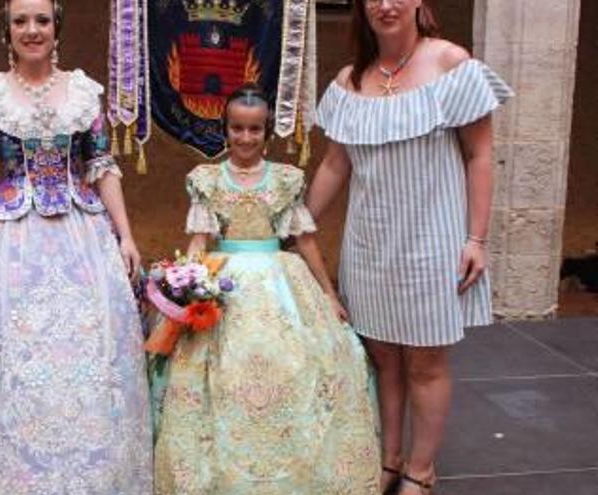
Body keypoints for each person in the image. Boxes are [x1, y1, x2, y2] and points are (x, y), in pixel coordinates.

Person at [0, 0, 152, 493]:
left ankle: (93, 474)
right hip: (11, 238)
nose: (32, 30)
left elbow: (102, 166)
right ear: (6, 30)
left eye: (42, 21)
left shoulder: (84, 91)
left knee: (90, 355)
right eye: (20, 21)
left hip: (82, 234)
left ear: (57, 28)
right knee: (13, 355)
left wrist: (127, 234)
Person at [306, 1, 514, 493]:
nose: (385, 4)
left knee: (424, 362)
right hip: (368, 245)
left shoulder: (450, 64)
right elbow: (336, 163)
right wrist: (298, 224)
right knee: (382, 357)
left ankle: (421, 471)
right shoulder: (347, 82)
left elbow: (480, 154)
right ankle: (390, 459)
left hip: (432, 240)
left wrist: (476, 238)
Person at [151, 84, 381, 494]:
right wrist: (184, 285)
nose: (245, 138)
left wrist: (328, 294)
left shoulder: (286, 180)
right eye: (237, 128)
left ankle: (295, 463)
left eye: (255, 130)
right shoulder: (207, 180)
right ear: (225, 130)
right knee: (223, 372)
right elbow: (200, 241)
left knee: (301, 362)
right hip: (225, 283)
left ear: (267, 131)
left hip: (281, 282)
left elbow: (305, 239)